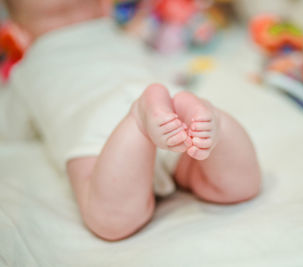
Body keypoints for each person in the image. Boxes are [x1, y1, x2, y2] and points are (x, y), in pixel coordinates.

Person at [0, 0, 261, 241]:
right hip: (163, 107)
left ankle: (138, 120)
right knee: (232, 186)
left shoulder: (27, 71)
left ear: (17, 32)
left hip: (99, 127)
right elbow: (162, 68)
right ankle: (206, 114)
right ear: (104, 7)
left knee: (112, 221)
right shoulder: (124, 41)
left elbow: (11, 130)